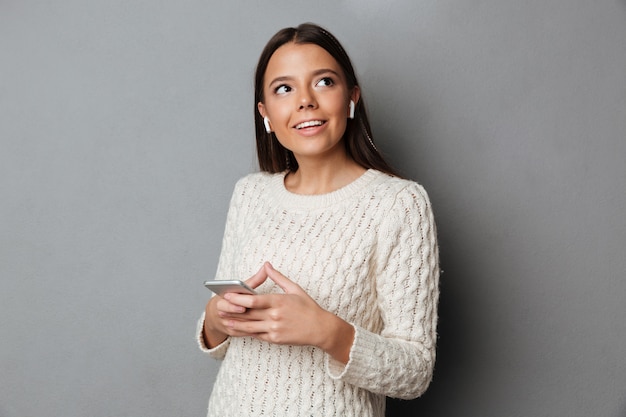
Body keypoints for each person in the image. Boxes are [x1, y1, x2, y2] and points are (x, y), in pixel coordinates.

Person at [196, 22, 440, 417]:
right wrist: (214, 320)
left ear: (351, 99)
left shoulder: (399, 204)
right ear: (266, 115)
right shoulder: (250, 194)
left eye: (324, 82)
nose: (305, 101)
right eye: (284, 88)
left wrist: (327, 332)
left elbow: (415, 372)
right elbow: (221, 335)